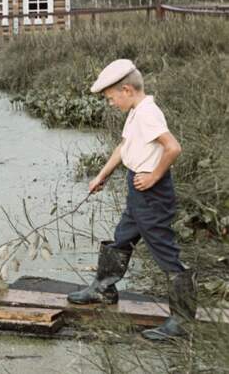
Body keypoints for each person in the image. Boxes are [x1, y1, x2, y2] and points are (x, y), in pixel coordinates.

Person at [67, 59, 196, 341]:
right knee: (121, 238)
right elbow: (124, 147)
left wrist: (152, 177)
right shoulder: (136, 111)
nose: (111, 103)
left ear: (126, 90)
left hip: (152, 192)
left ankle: (182, 321)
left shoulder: (149, 113)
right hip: (137, 190)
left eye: (111, 97)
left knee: (165, 251)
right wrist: (102, 175)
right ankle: (103, 289)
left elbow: (173, 148)